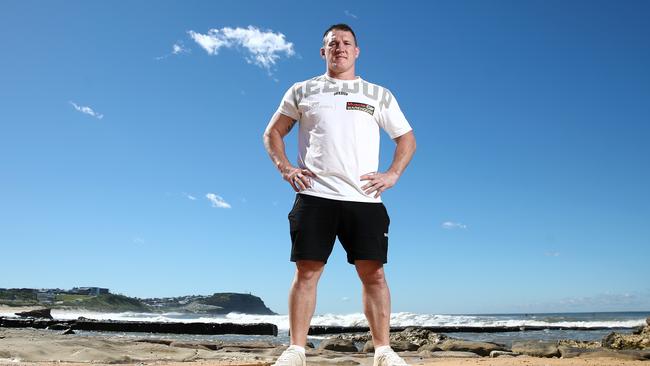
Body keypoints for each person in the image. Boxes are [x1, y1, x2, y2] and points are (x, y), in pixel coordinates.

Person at [263, 23, 416, 366]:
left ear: (357, 51)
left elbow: (406, 139)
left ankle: (383, 351)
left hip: (364, 198)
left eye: (347, 43)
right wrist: (286, 168)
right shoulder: (303, 90)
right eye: (333, 44)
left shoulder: (378, 94)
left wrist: (392, 174)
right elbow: (273, 133)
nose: (340, 48)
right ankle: (296, 350)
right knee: (307, 271)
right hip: (315, 195)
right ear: (323, 52)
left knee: (374, 274)